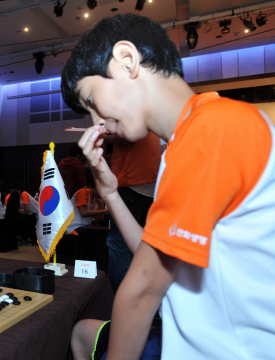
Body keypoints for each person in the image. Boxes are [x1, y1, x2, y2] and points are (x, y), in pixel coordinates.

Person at [62, 13, 275, 360]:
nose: (96, 121)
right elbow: (152, 253)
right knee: (84, 333)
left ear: (127, 60)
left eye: (90, 99)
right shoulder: (188, 139)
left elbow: (142, 290)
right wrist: (111, 192)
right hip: (199, 337)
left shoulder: (212, 128)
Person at [102, 131, 161, 291]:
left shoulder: (128, 107)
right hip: (151, 181)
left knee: (118, 244)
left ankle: (117, 304)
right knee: (146, 244)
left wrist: (102, 136)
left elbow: (128, 134)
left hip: (132, 179)